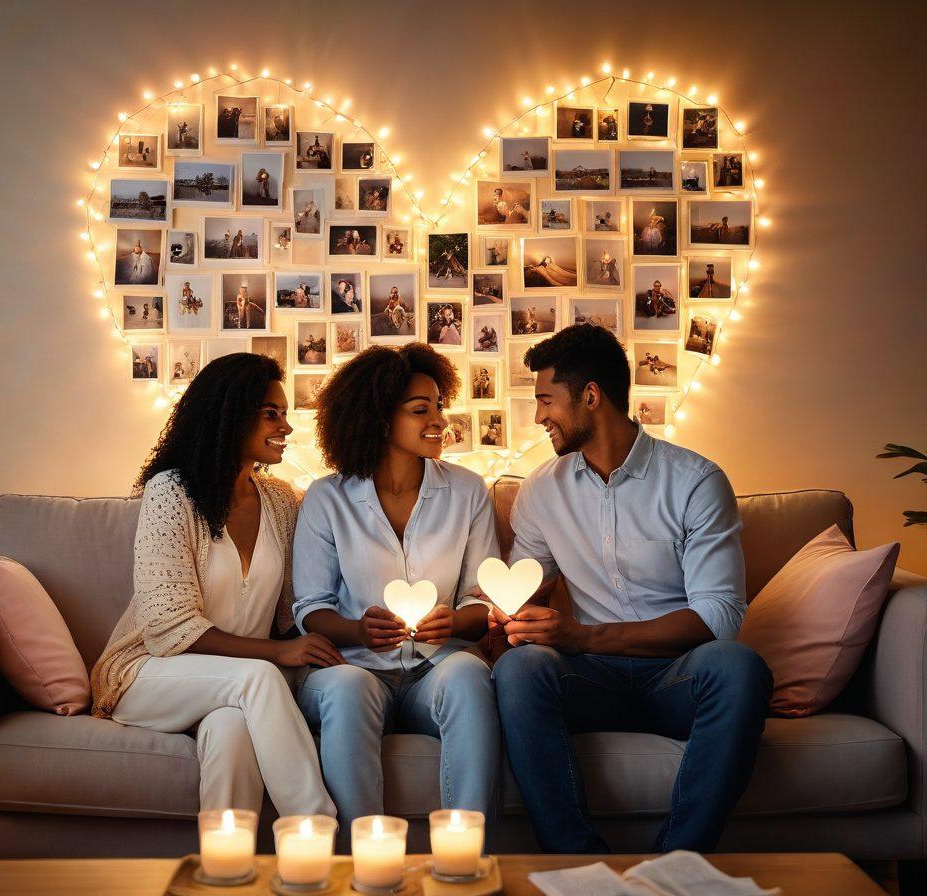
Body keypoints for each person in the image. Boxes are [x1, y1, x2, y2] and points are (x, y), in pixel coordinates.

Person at [486, 324, 771, 854]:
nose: (539, 416)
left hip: (678, 675)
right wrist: (512, 614)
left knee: (739, 666)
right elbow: (527, 582)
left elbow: (718, 617)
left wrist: (583, 637)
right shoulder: (540, 490)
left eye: (546, 400)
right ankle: (577, 866)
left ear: (590, 396)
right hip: (590, 683)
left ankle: (677, 865)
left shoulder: (695, 482)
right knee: (520, 669)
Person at [91, 355, 340, 818]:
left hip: (227, 688)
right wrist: (278, 654)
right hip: (150, 672)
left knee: (231, 731)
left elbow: (290, 613)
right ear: (230, 414)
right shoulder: (171, 492)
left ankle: (227, 873)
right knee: (260, 677)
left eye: (285, 414)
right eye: (272, 414)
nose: (286, 426)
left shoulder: (281, 501)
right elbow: (168, 628)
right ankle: (319, 831)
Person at [292, 344, 502, 846]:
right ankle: (364, 859)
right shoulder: (327, 497)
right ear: (380, 419)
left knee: (471, 674)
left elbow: (483, 598)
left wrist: (455, 622)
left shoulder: (469, 491)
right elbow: (310, 608)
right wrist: (358, 630)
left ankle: (466, 857)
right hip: (355, 668)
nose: (438, 420)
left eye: (438, 406)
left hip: (436, 667)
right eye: (420, 409)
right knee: (347, 689)